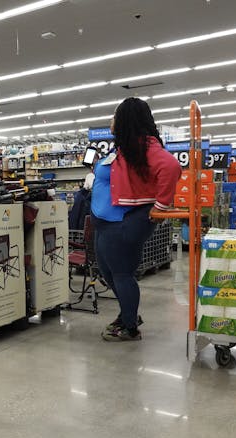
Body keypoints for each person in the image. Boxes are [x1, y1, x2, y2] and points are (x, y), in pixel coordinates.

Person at [91, 97, 181, 342]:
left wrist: (160, 206)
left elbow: (171, 167)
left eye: (115, 115)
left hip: (123, 221)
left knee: (121, 274)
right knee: (109, 273)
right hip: (106, 222)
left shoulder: (145, 146)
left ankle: (130, 327)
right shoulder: (126, 146)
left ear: (126, 119)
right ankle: (127, 313)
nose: (111, 120)